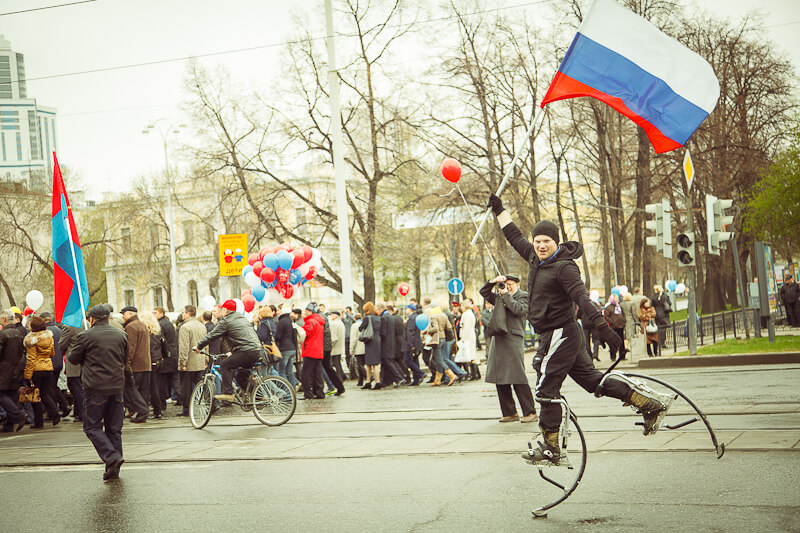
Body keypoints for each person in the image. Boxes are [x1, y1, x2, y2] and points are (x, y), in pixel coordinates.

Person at [487, 194, 669, 465]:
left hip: (562, 333)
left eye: (546, 242)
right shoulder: (534, 258)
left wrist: (603, 328)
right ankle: (649, 403)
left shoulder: (565, 268)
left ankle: (551, 447)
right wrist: (500, 210)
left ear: (556, 242)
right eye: (537, 242)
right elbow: (513, 235)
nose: (540, 246)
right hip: (556, 335)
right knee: (593, 382)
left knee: (545, 389)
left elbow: (583, 299)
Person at [68, 304, 128, 481]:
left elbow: (73, 358)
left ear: (92, 319)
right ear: (108, 317)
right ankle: (113, 470)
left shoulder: (86, 336)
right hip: (117, 386)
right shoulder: (121, 334)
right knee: (114, 429)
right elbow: (125, 359)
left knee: (92, 427)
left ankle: (112, 457)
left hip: (95, 387)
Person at [479, 276, 537, 423]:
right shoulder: (500, 295)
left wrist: (505, 295)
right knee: (500, 376)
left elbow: (519, 310)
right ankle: (509, 412)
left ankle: (530, 411)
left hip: (513, 339)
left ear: (517, 284)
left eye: (510, 284)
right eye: (506, 285)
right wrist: (492, 282)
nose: (508, 287)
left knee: (517, 375)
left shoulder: (523, 296)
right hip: (499, 340)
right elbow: (484, 292)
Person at [193, 300, 262, 402]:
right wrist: (233, 352)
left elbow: (212, 335)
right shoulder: (242, 318)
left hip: (246, 351)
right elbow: (242, 337)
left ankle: (228, 393)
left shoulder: (226, 321)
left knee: (225, 365)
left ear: (226, 310)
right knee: (241, 378)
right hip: (256, 350)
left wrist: (199, 346)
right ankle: (259, 397)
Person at [23, 316, 61, 428]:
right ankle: (55, 414)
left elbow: (31, 358)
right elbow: (52, 353)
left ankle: (39, 422)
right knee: (45, 394)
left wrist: (28, 375)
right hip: (48, 368)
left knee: (35, 396)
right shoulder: (49, 337)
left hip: (36, 369)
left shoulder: (31, 340)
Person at [120, 306, 150, 423]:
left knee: (130, 389)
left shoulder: (131, 327)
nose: (123, 316)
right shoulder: (142, 325)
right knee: (142, 390)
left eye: (124, 314)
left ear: (131, 314)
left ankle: (143, 410)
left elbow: (130, 348)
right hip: (145, 363)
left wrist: (126, 365)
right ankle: (141, 413)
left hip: (136, 364)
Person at [0, 309, 27, 432]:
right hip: (16, 368)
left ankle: (18, 414)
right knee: (11, 395)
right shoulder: (19, 333)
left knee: (2, 395)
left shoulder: (3, 334)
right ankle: (9, 424)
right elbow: (21, 351)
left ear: (4, 319)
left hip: (4, 369)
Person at [178, 305, 208, 415]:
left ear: (187, 313)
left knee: (186, 387)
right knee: (200, 384)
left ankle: (187, 409)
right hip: (200, 360)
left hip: (189, 361)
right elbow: (206, 344)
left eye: (183, 312)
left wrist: (183, 362)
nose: (182, 314)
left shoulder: (185, 327)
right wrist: (206, 360)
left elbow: (184, 346)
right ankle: (210, 404)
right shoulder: (202, 326)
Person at [139, 312, 167, 419]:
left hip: (148, 361)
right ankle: (158, 410)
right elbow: (165, 347)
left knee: (147, 387)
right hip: (158, 361)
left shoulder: (144, 334)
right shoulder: (157, 333)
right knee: (155, 386)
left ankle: (148, 410)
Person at [153, 307, 179, 405]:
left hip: (165, 354)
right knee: (174, 378)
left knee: (162, 380)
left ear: (161, 314)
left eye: (155, 313)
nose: (153, 315)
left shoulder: (159, 325)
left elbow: (161, 341)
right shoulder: (168, 323)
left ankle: (162, 402)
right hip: (172, 353)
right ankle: (182, 399)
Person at [299, 303, 325, 399]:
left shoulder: (311, 322)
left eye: (305, 310)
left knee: (305, 374)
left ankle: (308, 394)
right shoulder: (319, 322)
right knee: (317, 373)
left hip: (310, 351)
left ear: (310, 311)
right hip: (318, 351)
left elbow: (304, 334)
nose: (304, 312)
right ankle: (319, 393)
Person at [454, 298, 480, 380]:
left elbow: (466, 328)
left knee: (471, 356)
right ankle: (475, 373)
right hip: (469, 336)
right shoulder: (468, 313)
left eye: (462, 305)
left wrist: (464, 339)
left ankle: (474, 374)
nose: (461, 307)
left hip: (468, 337)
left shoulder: (467, 314)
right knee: (471, 356)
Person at [359, 302, 383, 390]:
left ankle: (375, 382)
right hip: (377, 340)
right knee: (373, 363)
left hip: (369, 341)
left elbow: (360, 328)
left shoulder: (367, 318)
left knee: (370, 363)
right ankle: (371, 382)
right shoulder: (377, 318)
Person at [275, 307, 298, 388]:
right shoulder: (291, 321)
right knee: (289, 373)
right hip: (292, 348)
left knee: (281, 372)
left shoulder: (282, 322)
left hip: (285, 349)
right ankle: (293, 392)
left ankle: (288, 393)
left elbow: (278, 336)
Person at [403, 305, 426, 386]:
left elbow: (410, 332)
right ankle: (416, 380)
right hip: (417, 342)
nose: (406, 310)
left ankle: (421, 373)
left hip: (411, 343)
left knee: (407, 360)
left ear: (410, 309)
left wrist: (411, 344)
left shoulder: (411, 318)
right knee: (415, 360)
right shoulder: (416, 317)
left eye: (407, 308)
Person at [603, 295, 627, 361]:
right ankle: (613, 356)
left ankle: (622, 355)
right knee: (613, 341)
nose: (617, 299)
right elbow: (606, 316)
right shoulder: (608, 307)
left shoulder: (619, 306)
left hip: (621, 326)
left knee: (621, 341)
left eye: (617, 298)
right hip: (613, 327)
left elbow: (623, 314)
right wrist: (612, 322)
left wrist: (624, 320)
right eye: (616, 298)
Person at [651, 285, 672, 353]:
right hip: (664, 313)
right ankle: (663, 342)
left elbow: (652, 305)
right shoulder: (665, 296)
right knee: (664, 329)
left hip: (657, 314)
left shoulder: (654, 297)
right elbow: (670, 303)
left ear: (656, 290)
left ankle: (658, 342)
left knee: (658, 328)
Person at [329, 311, 347, 385]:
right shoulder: (341, 323)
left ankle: (339, 379)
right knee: (338, 363)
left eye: (332, 315)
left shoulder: (334, 324)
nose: (331, 316)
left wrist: (330, 346)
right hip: (340, 346)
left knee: (336, 364)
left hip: (335, 348)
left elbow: (334, 338)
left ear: (335, 316)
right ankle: (342, 376)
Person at [349, 313, 367, 386]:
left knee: (359, 364)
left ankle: (366, 376)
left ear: (354, 319)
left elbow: (353, 339)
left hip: (358, 347)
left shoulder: (354, 326)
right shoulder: (364, 324)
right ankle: (360, 381)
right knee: (362, 364)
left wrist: (351, 349)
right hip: (365, 346)